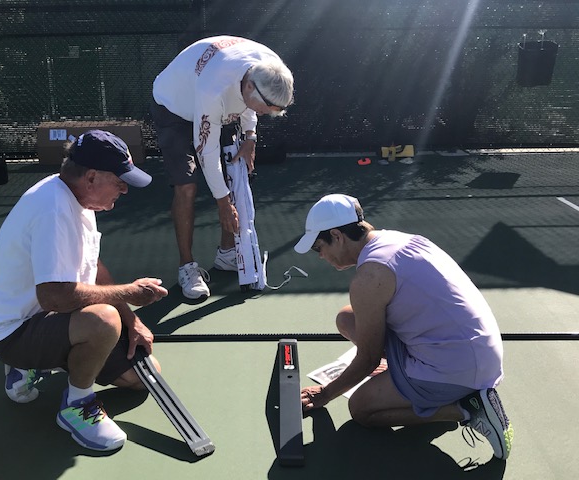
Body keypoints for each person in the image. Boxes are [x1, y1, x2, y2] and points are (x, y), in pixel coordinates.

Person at [0, 130, 169, 452]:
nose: (124, 188)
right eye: (120, 180)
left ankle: (54, 360)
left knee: (143, 377)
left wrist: (133, 322)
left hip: (53, 319)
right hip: (14, 332)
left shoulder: (80, 201)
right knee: (104, 321)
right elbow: (54, 296)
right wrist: (128, 295)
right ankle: (75, 405)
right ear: (92, 177)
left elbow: (94, 268)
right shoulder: (52, 208)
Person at [295, 194, 514, 460]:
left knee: (362, 410)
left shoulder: (369, 277)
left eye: (319, 247)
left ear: (337, 236)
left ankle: (467, 408)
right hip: (478, 351)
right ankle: (420, 378)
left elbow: (367, 360)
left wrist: (324, 394)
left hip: (457, 369)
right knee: (347, 318)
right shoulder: (400, 239)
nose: (320, 256)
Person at [150, 35, 294, 299]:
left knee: (235, 172)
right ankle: (187, 267)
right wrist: (222, 204)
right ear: (249, 87)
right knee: (187, 185)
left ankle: (227, 254)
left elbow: (249, 106)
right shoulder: (213, 88)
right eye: (264, 110)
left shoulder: (271, 67)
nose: (264, 115)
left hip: (224, 97)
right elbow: (206, 150)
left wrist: (251, 137)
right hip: (174, 106)